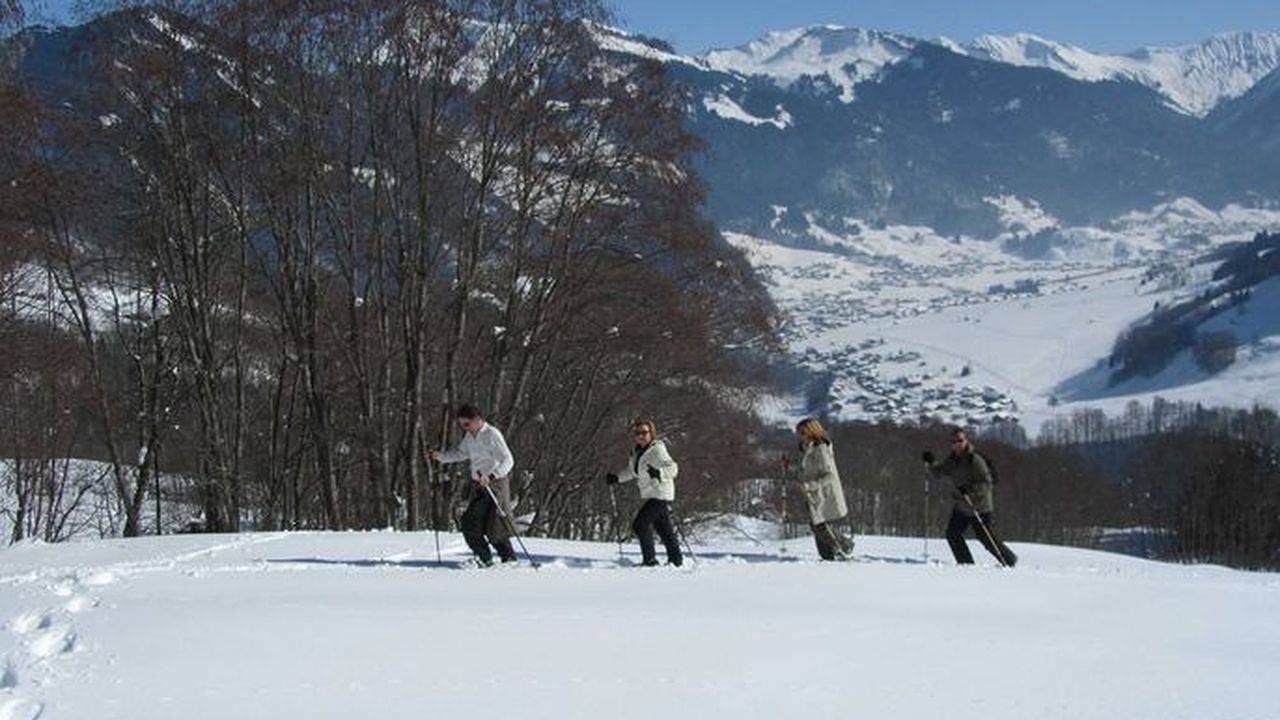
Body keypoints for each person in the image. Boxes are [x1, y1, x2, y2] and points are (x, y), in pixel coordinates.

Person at [428, 404, 518, 567]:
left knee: (487, 523)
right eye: (462, 425)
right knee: (476, 523)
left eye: (467, 424)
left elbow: (508, 460)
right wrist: (440, 457)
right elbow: (461, 453)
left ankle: (497, 558)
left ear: (477, 420)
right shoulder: (470, 436)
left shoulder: (491, 434)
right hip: (480, 485)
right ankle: (491, 557)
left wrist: (491, 475)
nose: (465, 428)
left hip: (495, 484)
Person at [923, 427, 1018, 567]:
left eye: (960, 440)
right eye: (954, 441)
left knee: (986, 538)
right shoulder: (952, 460)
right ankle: (966, 564)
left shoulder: (974, 459)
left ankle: (1009, 561)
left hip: (980, 506)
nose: (957, 444)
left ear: (966, 441)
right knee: (953, 534)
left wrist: (969, 491)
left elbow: (986, 482)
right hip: (962, 506)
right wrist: (931, 462)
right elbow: (939, 472)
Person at [605, 417, 682, 567]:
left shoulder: (657, 450)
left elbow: (673, 468)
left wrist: (659, 473)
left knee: (640, 524)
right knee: (663, 528)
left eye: (644, 432)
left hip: (661, 493)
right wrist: (617, 478)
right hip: (652, 494)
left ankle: (650, 560)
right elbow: (632, 472)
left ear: (651, 433)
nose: (641, 436)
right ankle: (676, 560)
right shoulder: (636, 452)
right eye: (637, 433)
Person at [793, 418, 854, 561]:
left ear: (810, 432)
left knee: (820, 526)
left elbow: (829, 476)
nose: (799, 436)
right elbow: (809, 469)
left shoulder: (820, 449)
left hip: (822, 495)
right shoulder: (808, 449)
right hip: (814, 496)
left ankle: (838, 551)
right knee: (817, 525)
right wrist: (791, 465)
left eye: (802, 432)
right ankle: (836, 551)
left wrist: (809, 486)